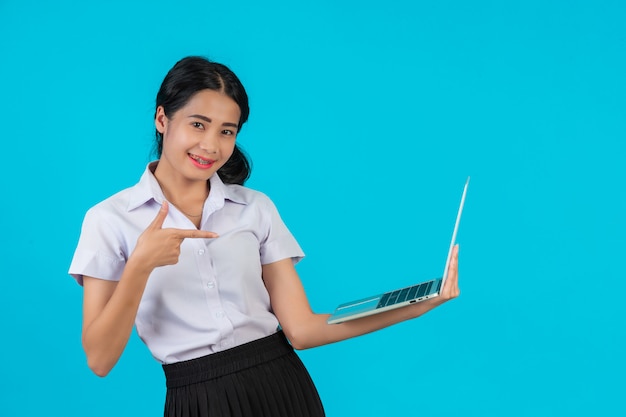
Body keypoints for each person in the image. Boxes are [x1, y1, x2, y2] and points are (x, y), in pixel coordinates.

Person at [69, 56, 460, 417]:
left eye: (227, 131)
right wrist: (139, 265)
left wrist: (418, 304)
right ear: (162, 118)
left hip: (283, 387)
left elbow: (302, 330)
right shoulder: (109, 220)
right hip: (198, 400)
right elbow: (99, 359)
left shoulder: (254, 208)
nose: (210, 145)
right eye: (198, 124)